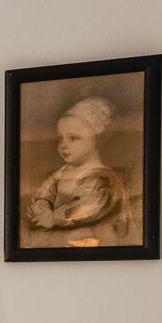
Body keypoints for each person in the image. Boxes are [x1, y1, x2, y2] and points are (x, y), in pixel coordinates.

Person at [23, 95, 132, 247]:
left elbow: (88, 207)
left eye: (73, 138)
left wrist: (52, 218)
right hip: (63, 236)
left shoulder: (101, 178)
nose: (63, 145)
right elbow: (46, 191)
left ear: (97, 139)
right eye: (61, 138)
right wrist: (42, 205)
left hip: (91, 240)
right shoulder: (63, 171)